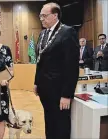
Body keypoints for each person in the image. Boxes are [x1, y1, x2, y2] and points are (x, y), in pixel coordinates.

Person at [34, 2, 79, 139]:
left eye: (44, 15)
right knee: (49, 121)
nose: (41, 18)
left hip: (59, 91)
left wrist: (67, 94)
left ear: (55, 15)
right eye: (40, 15)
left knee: (61, 124)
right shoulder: (42, 34)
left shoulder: (67, 32)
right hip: (44, 89)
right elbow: (40, 61)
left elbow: (71, 66)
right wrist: (37, 82)